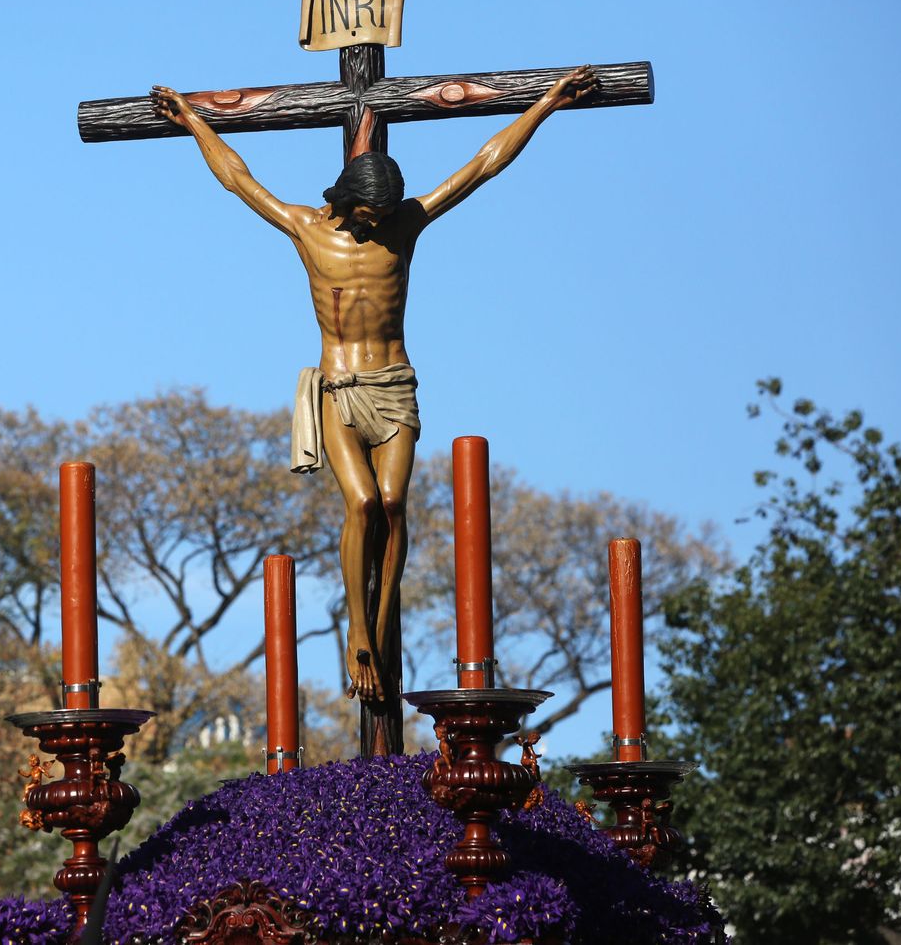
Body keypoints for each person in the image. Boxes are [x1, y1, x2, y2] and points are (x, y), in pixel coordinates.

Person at [149, 67, 598, 704]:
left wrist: (546, 104)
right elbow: (238, 179)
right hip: (339, 390)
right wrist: (196, 121)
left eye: (382, 215)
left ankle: (382, 626)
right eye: (366, 213)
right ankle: (358, 629)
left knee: (393, 504)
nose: (374, 223)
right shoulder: (306, 227)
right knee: (361, 504)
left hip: (394, 387)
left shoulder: (404, 226)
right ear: (344, 198)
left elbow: (481, 166)